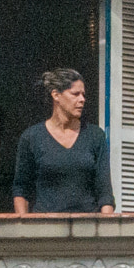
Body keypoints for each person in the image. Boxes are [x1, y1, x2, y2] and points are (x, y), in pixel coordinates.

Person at [13, 68, 115, 214]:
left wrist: (106, 231)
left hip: (87, 228)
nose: (82, 99)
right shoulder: (32, 137)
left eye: (83, 95)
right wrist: (24, 228)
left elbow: (105, 192)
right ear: (56, 95)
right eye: (75, 94)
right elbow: (21, 190)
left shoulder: (94, 135)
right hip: (46, 228)